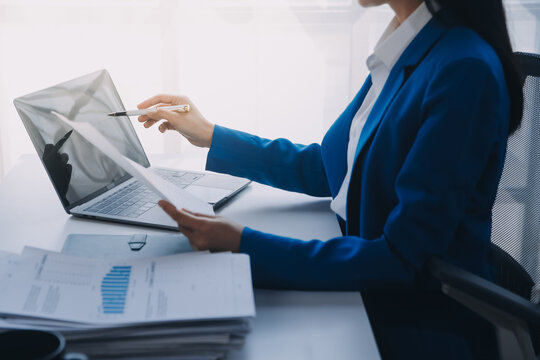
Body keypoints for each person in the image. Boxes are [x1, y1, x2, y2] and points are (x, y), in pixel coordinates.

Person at [137, 0, 523, 358]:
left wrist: (245, 244)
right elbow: (332, 169)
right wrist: (210, 133)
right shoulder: (408, 40)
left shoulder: (462, 68)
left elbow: (402, 260)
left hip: (415, 326)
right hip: (363, 285)